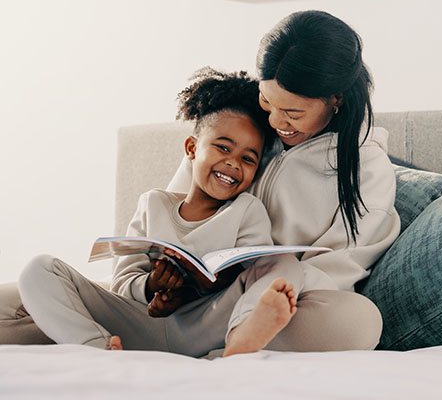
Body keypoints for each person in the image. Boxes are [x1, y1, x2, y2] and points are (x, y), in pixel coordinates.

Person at [18, 68, 303, 357]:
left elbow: (249, 269)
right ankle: (95, 347)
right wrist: (153, 286)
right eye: (222, 148)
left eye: (247, 158)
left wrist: (201, 285)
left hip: (209, 321)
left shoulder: (246, 210)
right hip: (138, 323)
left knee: (284, 263)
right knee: (38, 269)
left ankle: (243, 334)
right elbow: (123, 285)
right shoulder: (152, 204)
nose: (233, 163)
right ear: (192, 148)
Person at [168, 10, 401, 352]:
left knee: (359, 320)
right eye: (267, 101)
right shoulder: (235, 122)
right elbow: (176, 206)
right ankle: (207, 344)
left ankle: (230, 344)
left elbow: (339, 269)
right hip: (188, 296)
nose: (276, 121)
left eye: (293, 113)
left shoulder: (367, 170)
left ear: (336, 99)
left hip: (271, 305)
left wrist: (262, 283)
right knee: (60, 273)